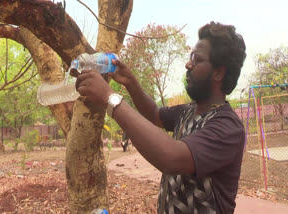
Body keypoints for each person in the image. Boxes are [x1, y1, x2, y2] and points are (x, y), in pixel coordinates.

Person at [76, 21, 246, 214]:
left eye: (197, 59)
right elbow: (155, 115)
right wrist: (130, 82)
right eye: (191, 57)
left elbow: (172, 158)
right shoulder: (189, 111)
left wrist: (110, 99)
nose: (188, 64)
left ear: (218, 73)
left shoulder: (228, 128)